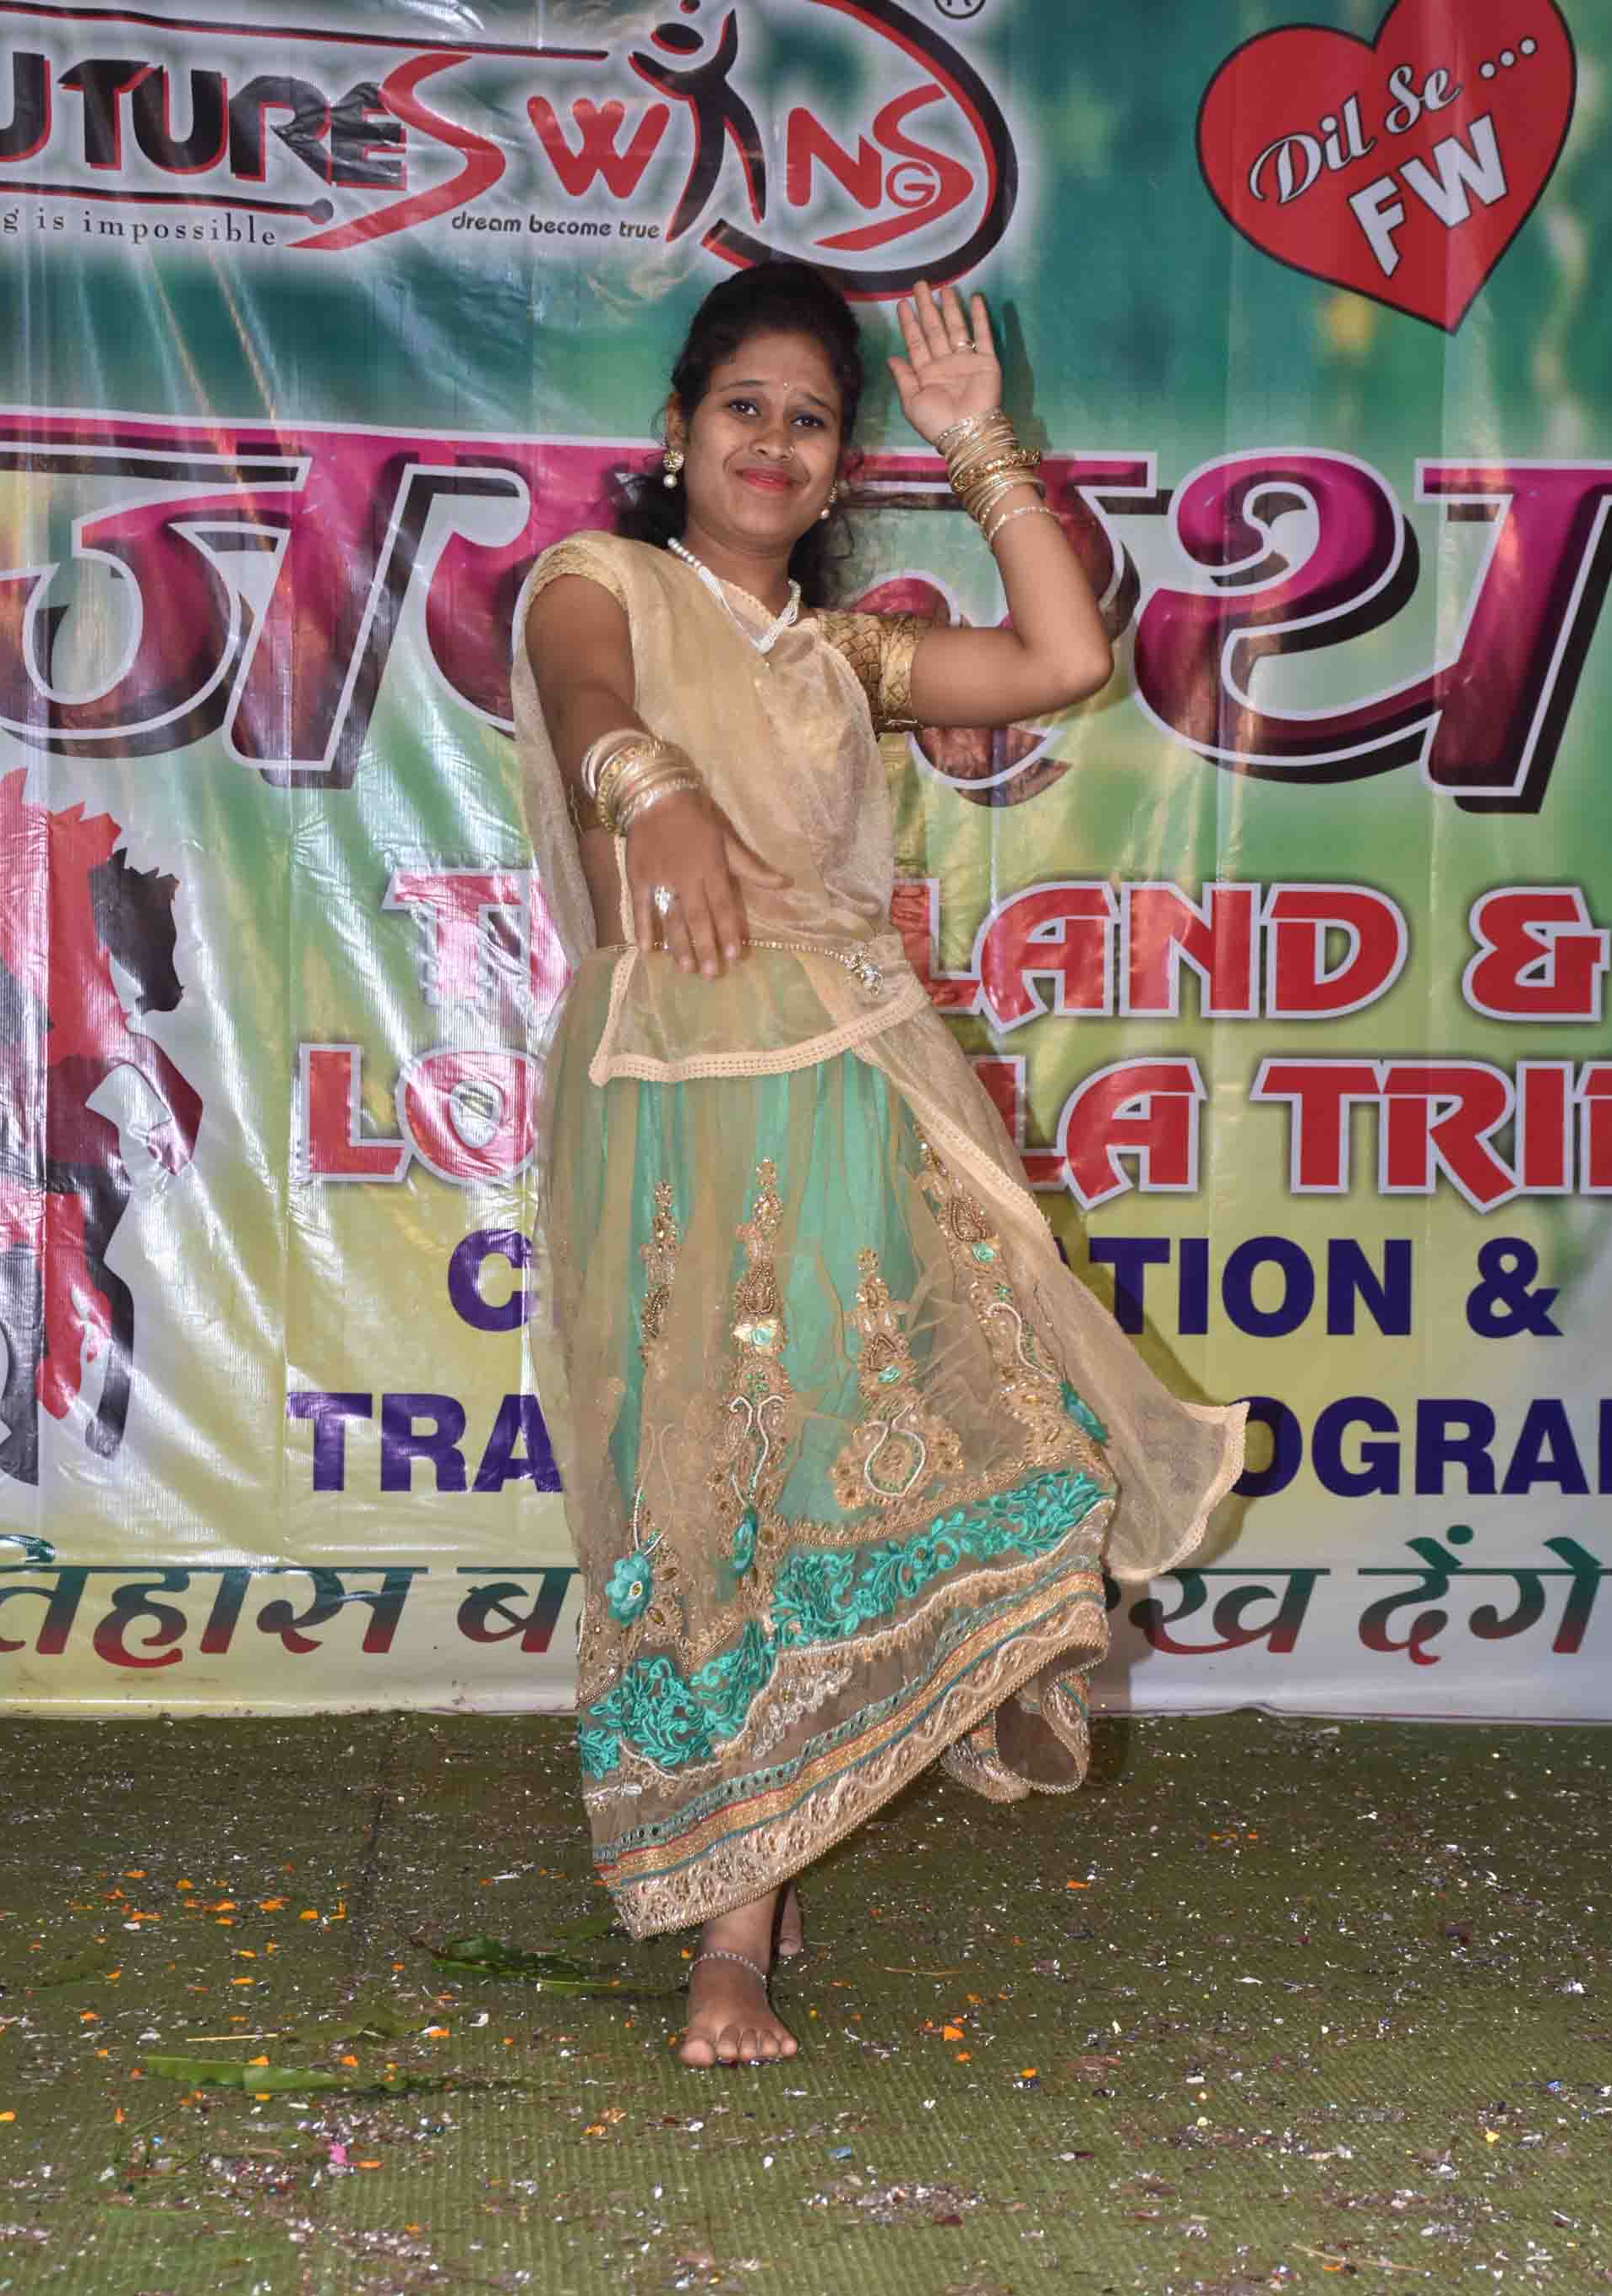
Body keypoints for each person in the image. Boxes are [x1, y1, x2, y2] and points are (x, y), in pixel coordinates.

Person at [512, 262, 1244, 2070]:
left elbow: (1063, 660)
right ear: (675, 431)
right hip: (675, 1111)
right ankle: (730, 1921)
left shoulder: (840, 656)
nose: (771, 441)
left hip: (853, 1094)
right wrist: (650, 787)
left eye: (810, 421)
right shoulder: (600, 581)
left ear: (844, 468)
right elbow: (587, 695)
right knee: (706, 1503)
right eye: (741, 407)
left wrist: (982, 448)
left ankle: (752, 1904)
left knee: (878, 1456)